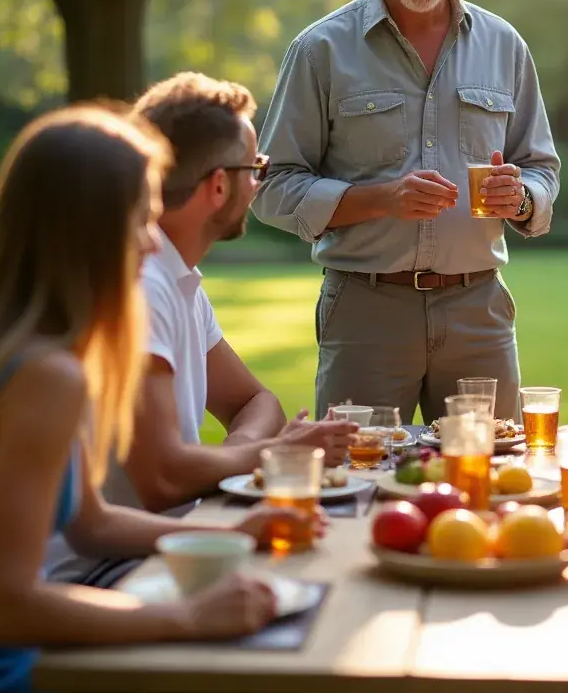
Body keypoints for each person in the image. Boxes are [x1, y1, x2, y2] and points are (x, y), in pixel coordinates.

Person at [0, 107, 320, 693]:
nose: (151, 243)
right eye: (140, 219)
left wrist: (235, 533)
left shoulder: (8, 350)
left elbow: (91, 522)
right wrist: (186, 620)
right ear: (86, 231)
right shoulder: (46, 376)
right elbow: (1, 607)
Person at [252, 0, 561, 423]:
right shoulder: (320, 50)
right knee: (358, 482)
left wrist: (518, 198)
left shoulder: (505, 45)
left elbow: (541, 169)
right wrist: (380, 199)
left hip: (479, 312)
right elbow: (271, 186)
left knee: (489, 484)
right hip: (365, 311)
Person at [49, 73, 353, 588]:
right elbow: (164, 477)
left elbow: (258, 402)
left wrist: (225, 462)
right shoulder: (145, 285)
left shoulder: (178, 277)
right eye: (256, 169)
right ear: (218, 185)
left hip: (158, 544)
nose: (258, 183)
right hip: (100, 573)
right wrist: (266, 455)